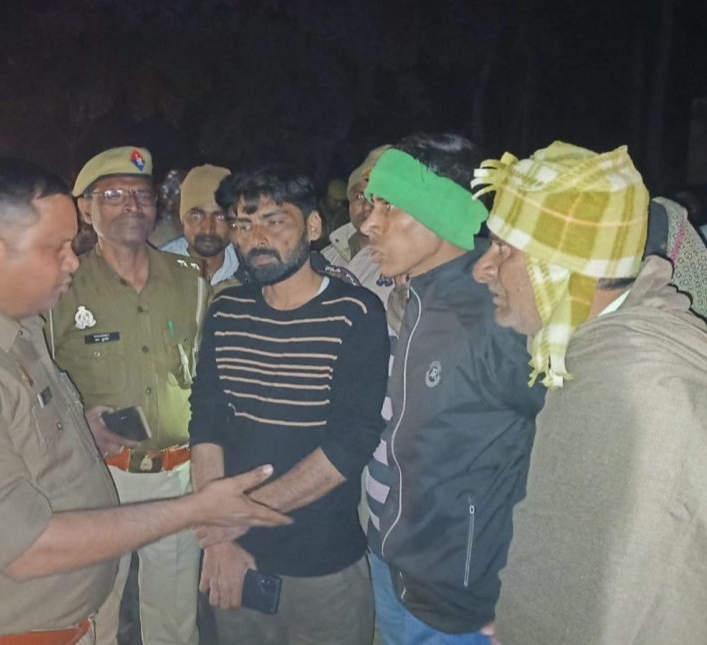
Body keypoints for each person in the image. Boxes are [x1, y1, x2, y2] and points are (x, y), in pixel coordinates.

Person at [0, 157, 289, 645]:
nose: (73, 260)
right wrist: (196, 509)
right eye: (56, 247)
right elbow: (26, 548)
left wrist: (84, 431)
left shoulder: (12, 329)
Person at [471, 142, 707, 645]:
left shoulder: (641, 391)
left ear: (564, 265)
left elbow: (649, 607)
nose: (482, 268)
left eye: (504, 249)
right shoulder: (591, 354)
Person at [189, 165, 390, 645]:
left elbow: (351, 443)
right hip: (231, 558)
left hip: (321, 563)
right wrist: (221, 537)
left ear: (313, 226)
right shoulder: (226, 311)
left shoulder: (356, 313)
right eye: (242, 224)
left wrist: (232, 519)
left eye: (274, 221)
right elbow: (207, 421)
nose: (255, 238)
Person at [359, 135, 545, 645]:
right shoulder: (417, 298)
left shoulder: (495, 314)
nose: (368, 223)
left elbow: (561, 455)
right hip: (395, 565)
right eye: (372, 205)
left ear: (439, 209)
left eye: (389, 206)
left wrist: (529, 596)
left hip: (461, 601)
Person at [46, 146, 211, 645]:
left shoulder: (189, 280)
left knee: (174, 617)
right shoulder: (62, 285)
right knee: (94, 610)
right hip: (99, 480)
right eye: (114, 194)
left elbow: (204, 374)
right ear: (85, 208)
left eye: (142, 194)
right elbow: (40, 381)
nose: (132, 205)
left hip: (176, 475)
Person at [321, 146, 392, 304]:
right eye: (360, 196)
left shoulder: (406, 264)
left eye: (378, 198)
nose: (367, 206)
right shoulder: (327, 256)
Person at [161, 164, 240, 290]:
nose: (208, 228)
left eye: (220, 217)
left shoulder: (246, 268)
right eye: (196, 216)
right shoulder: (159, 268)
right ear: (182, 219)